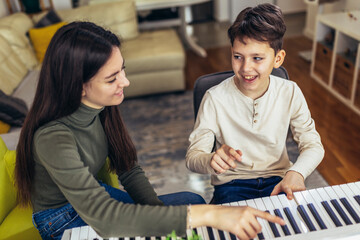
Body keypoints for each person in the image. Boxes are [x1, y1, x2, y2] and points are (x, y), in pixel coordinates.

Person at [15, 21, 284, 240]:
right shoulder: (52, 136)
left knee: (190, 199)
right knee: (197, 212)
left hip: (92, 196)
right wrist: (209, 215)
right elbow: (107, 219)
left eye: (122, 70)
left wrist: (160, 223)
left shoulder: (101, 106)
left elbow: (129, 170)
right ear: (78, 85)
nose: (126, 81)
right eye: (112, 78)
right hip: (61, 219)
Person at [186, 3, 325, 205]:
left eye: (257, 58)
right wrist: (210, 159)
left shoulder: (290, 91)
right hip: (232, 184)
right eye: (237, 57)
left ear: (278, 59)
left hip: (278, 180)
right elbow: (193, 157)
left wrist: (296, 172)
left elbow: (313, 145)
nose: (245, 68)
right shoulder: (214, 98)